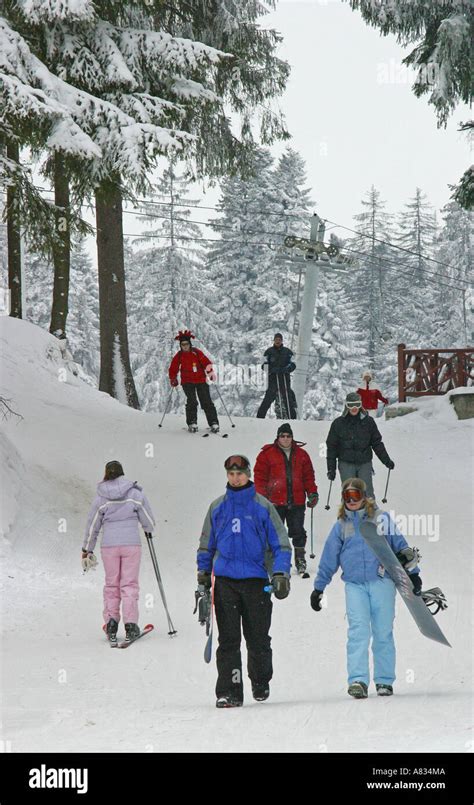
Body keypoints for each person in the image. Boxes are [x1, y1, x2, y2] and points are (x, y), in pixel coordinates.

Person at [310, 477, 422, 698]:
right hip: (354, 585)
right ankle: (358, 680)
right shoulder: (342, 526)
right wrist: (319, 587)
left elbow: (401, 546)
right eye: (347, 497)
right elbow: (329, 558)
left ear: (364, 497)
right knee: (358, 632)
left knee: (382, 631)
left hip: (382, 581)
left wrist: (413, 575)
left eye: (356, 496)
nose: (351, 501)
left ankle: (384, 680)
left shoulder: (381, 519)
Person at [197, 454, 292, 708]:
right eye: (231, 474)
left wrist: (281, 573)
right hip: (225, 581)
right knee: (228, 641)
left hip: (256, 581)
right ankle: (230, 691)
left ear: (248, 474)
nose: (236, 478)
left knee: (258, 638)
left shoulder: (262, 507)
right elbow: (206, 544)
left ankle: (260, 681)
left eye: (240, 474)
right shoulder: (217, 507)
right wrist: (203, 576)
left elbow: (281, 544)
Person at [83, 460, 155, 643]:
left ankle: (112, 623)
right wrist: (147, 528)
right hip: (131, 545)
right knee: (129, 584)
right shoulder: (135, 492)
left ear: (106, 474)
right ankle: (131, 625)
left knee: (111, 585)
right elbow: (148, 520)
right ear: (122, 474)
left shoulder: (101, 497)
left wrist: (87, 549)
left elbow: (92, 526)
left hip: (109, 546)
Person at [254, 422, 319, 575]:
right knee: (274, 533)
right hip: (274, 501)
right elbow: (260, 478)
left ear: (292, 437)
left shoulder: (302, 455)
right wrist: (263, 499)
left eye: (288, 436)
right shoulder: (266, 454)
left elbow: (308, 476)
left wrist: (312, 493)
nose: (285, 439)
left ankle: (300, 558)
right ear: (277, 437)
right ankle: (275, 560)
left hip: (296, 500)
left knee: (298, 531)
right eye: (282, 436)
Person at [326, 391, 394, 498]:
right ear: (346, 406)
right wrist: (331, 468)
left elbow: (377, 443)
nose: (354, 408)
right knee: (349, 493)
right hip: (346, 462)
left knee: (367, 492)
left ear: (360, 405)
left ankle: (371, 513)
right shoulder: (338, 424)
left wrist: (386, 460)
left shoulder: (368, 422)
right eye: (351, 405)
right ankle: (346, 514)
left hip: (364, 462)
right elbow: (332, 447)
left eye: (357, 405)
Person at [168, 329, 219, 433]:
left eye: (186, 344)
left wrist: (210, 373)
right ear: (180, 345)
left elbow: (206, 363)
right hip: (187, 382)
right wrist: (173, 379)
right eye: (183, 344)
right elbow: (173, 368)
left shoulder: (197, 352)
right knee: (192, 401)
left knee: (206, 401)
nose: (185, 346)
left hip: (201, 380)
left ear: (190, 344)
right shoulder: (179, 356)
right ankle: (192, 422)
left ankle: (213, 422)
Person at [256, 333, 297, 419]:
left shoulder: (288, 352)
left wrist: (287, 369)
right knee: (268, 398)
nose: (278, 341)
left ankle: (292, 418)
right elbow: (263, 365)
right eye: (276, 340)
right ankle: (260, 417)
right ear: (274, 340)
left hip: (284, 378)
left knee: (287, 398)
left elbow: (293, 364)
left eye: (279, 340)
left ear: (282, 341)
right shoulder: (268, 352)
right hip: (273, 378)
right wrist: (271, 369)